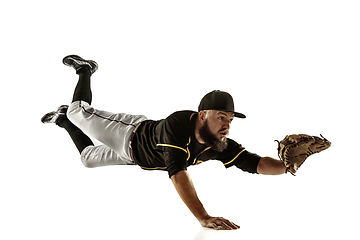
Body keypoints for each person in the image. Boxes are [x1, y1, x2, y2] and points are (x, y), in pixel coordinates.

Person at [41, 55, 287, 230]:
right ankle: (85, 69)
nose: (227, 124)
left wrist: (287, 166)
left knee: (87, 159)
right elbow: (177, 172)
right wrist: (203, 216)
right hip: (127, 134)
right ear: (202, 115)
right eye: (221, 116)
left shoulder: (220, 144)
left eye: (231, 118)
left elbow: (254, 163)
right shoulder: (179, 123)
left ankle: (63, 120)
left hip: (134, 157)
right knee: (79, 112)